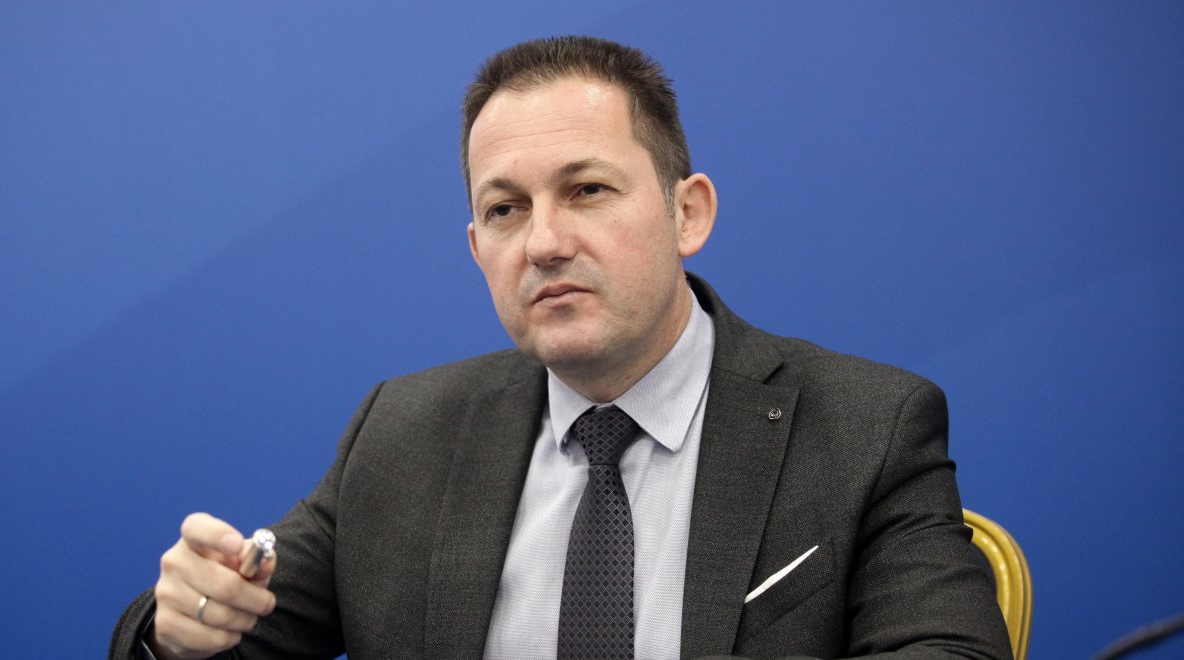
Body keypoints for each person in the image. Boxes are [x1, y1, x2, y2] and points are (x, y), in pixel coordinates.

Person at [111, 36, 1011, 660]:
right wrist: (179, 628)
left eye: (586, 191)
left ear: (687, 213)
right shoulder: (403, 433)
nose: (543, 243)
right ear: (478, 249)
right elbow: (229, 637)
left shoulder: (865, 427)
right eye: (506, 209)